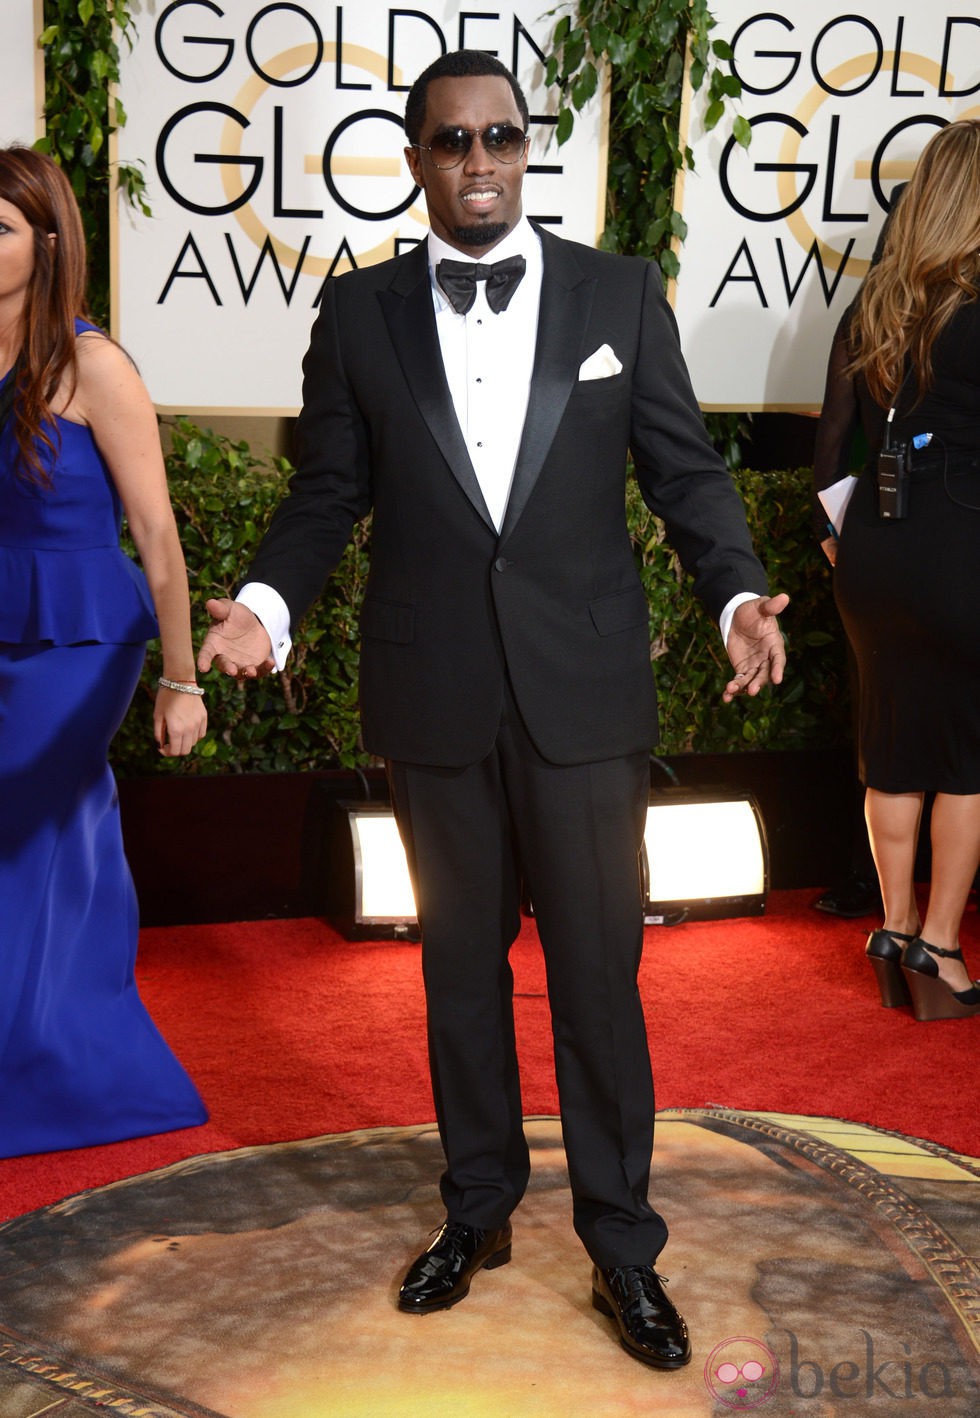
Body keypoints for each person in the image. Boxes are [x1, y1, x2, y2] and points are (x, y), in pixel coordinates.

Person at [198, 51, 786, 1369]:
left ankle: (625, 1247)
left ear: (532, 153)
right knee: (460, 979)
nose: (481, 165)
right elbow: (322, 498)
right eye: (454, 142)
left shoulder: (618, 296)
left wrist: (739, 596)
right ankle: (479, 1210)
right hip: (436, 694)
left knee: (596, 978)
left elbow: (686, 473)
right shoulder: (359, 318)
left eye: (503, 140)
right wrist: (263, 605)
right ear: (415, 157)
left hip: (584, 697)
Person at [0, 146, 208, 1156]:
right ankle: (63, 1055)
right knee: (55, 840)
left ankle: (47, 1073)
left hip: (81, 634)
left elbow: (158, 537)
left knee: (23, 816)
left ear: (46, 242)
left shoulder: (93, 364)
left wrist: (182, 677)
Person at [811, 119, 980, 1022]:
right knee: (965, 759)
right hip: (963, 558)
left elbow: (829, 455)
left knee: (894, 748)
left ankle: (893, 925)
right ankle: (940, 950)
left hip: (874, 561)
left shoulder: (871, 309)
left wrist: (849, 548)